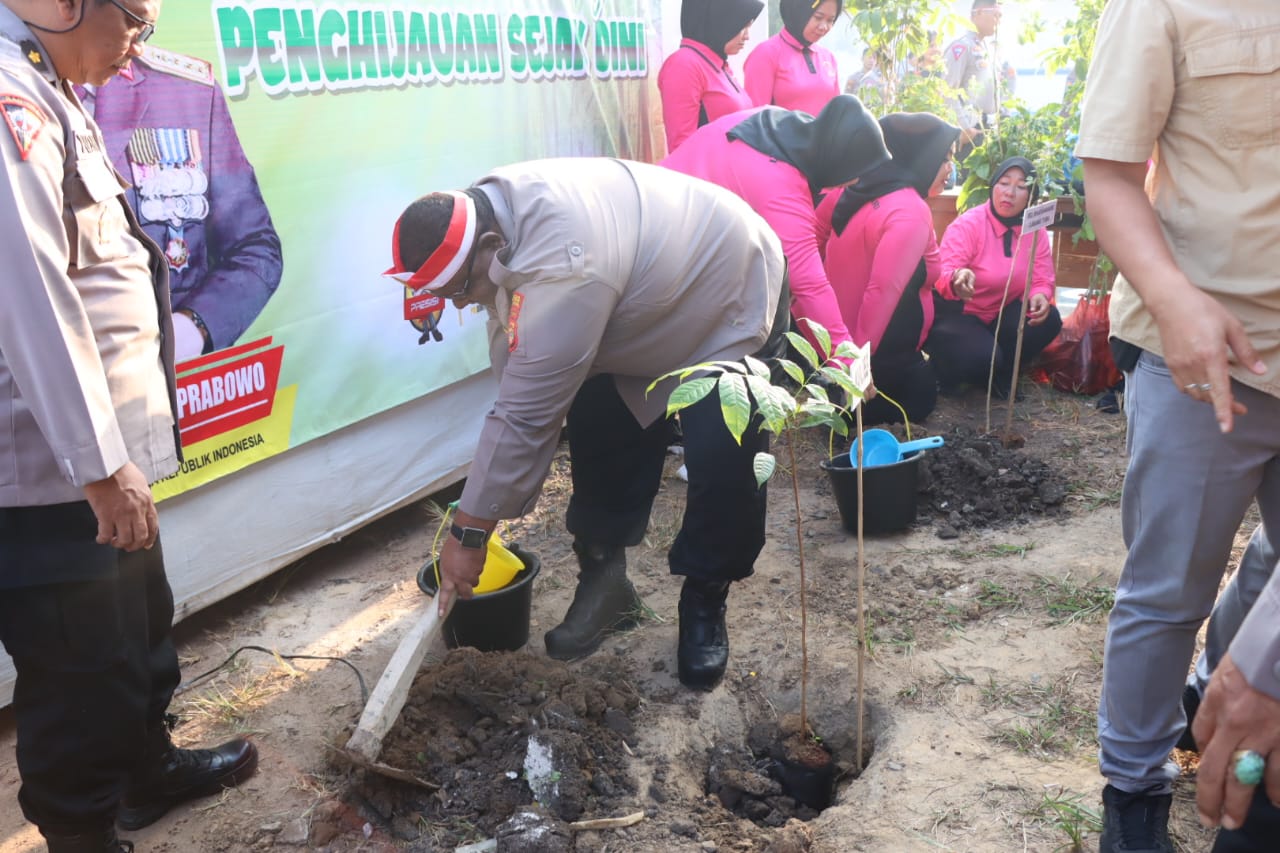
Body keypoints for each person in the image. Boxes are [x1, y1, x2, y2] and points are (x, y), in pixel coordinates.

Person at [0, 2, 259, 851]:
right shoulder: (9, 99)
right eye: (134, 21)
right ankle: (81, 834)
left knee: (139, 632)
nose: (140, 45)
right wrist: (101, 468)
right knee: (79, 677)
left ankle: (146, 771)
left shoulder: (51, 84)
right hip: (55, 476)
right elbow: (31, 299)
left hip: (101, 461)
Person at [386, 158, 789, 692]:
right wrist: (489, 498)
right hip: (641, 298)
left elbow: (526, 414)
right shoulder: (495, 211)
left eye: (461, 288)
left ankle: (705, 599)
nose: (458, 303)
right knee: (599, 417)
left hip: (727, 286)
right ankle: (606, 585)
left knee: (724, 449)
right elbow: (522, 366)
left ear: (487, 245)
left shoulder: (566, 265)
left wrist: (469, 530)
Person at [1074, 0, 1280, 849]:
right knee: (1168, 588)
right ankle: (1132, 791)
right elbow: (1112, 174)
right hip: (1205, 355)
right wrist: (1174, 297)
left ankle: (1225, 688)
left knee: (1270, 566)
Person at [661, 94, 890, 361]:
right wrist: (847, 361)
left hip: (666, 204)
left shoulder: (780, 125)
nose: (856, 180)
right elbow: (809, 286)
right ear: (840, 161)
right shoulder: (779, 186)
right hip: (670, 248)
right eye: (857, 171)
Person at [90, 44, 283, 359]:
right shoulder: (18, 86)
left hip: (164, 382)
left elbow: (255, 249)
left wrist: (190, 330)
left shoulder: (186, 90)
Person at [814, 112, 960, 424]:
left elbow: (810, 238)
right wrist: (856, 371)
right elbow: (880, 294)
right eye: (943, 157)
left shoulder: (850, 187)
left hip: (840, 340)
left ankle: (837, 393)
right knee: (923, 395)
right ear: (919, 155)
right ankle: (847, 404)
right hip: (876, 353)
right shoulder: (908, 209)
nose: (950, 168)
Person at [925, 157, 1061, 398]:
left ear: (1031, 195)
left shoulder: (1034, 229)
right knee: (981, 359)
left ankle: (1003, 372)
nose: (1009, 193)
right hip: (962, 314)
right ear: (993, 186)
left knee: (1049, 319)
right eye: (1004, 183)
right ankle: (946, 371)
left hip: (1003, 313)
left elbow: (1041, 274)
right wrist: (958, 278)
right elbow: (943, 271)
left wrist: (1040, 294)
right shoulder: (969, 224)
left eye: (1021, 187)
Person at [657, 0, 763, 153]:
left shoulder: (717, 64)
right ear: (721, 19)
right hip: (707, 175)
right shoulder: (684, 64)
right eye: (743, 25)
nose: (747, 36)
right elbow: (681, 148)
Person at [743, 0, 840, 116]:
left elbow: (836, 112)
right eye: (818, 17)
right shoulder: (765, 54)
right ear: (799, 12)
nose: (824, 27)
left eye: (830, 20)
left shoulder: (828, 57)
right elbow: (754, 118)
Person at [943, 0, 1003, 147]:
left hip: (987, 128)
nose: (999, 21)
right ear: (980, 13)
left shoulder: (987, 48)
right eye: (996, 15)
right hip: (969, 131)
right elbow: (948, 91)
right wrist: (964, 127)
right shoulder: (962, 47)